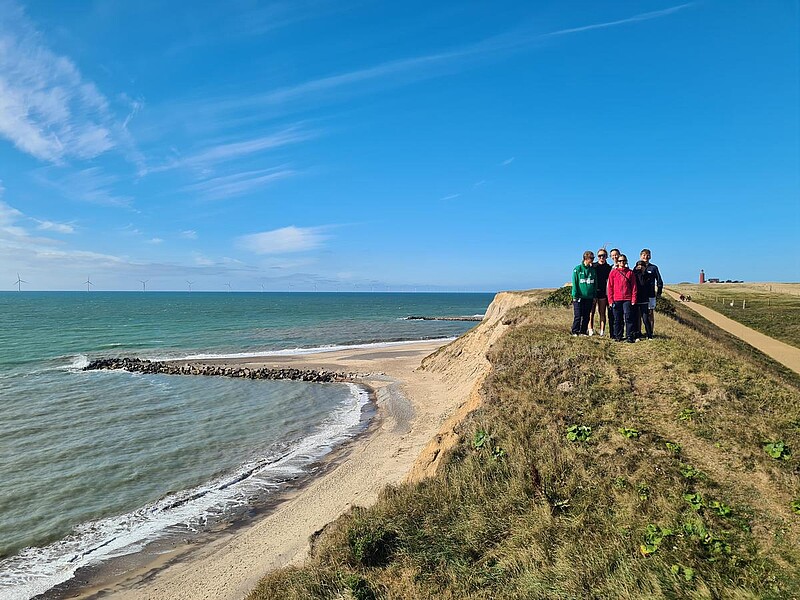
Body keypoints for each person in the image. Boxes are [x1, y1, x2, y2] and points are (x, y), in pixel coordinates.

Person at [607, 254, 638, 343]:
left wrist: (633, 299)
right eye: (620, 261)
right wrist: (610, 300)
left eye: (624, 261)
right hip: (616, 299)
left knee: (628, 318)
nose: (622, 262)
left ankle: (629, 336)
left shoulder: (630, 272)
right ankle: (618, 336)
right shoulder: (613, 272)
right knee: (617, 319)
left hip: (627, 299)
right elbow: (610, 287)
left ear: (626, 262)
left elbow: (634, 287)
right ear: (618, 262)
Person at [571, 250, 596, 336]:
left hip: (589, 297)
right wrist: (575, 295)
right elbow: (575, 283)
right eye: (591, 258)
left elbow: (595, 283)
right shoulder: (577, 269)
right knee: (578, 315)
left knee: (586, 316)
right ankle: (575, 331)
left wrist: (594, 296)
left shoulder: (592, 270)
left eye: (593, 258)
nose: (592, 260)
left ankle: (583, 331)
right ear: (586, 258)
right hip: (579, 297)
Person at [639, 249, 663, 334]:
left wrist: (659, 292)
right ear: (640, 256)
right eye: (644, 255)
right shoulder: (637, 267)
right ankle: (639, 332)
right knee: (639, 314)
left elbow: (659, 281)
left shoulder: (654, 268)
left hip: (651, 294)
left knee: (650, 313)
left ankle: (650, 332)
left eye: (648, 255)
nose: (646, 257)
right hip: (640, 295)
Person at [589, 248, 612, 336]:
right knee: (591, 312)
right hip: (593, 292)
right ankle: (590, 329)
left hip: (603, 292)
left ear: (606, 257)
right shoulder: (593, 266)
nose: (601, 257)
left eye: (603, 256)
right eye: (599, 256)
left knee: (602, 312)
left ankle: (602, 331)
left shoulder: (609, 267)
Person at [633, 260, 654, 339]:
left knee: (645, 318)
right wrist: (637, 272)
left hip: (644, 299)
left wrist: (642, 273)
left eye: (642, 265)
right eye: (638, 265)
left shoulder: (647, 276)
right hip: (636, 299)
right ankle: (637, 334)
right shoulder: (634, 274)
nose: (640, 267)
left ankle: (649, 334)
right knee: (636, 318)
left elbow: (643, 283)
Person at [607, 248, 621, 335]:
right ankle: (612, 334)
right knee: (611, 315)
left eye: (616, 255)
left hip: (620, 295)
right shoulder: (609, 268)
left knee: (620, 316)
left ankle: (620, 333)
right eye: (612, 255)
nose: (614, 257)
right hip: (610, 294)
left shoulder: (625, 267)